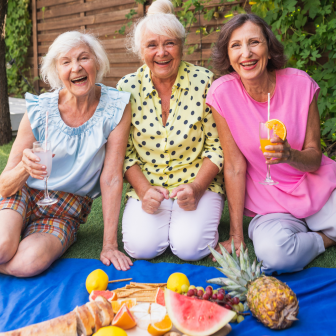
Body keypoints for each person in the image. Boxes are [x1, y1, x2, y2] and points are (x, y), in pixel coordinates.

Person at [206, 13, 336, 274]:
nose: (246, 53)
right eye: (236, 45)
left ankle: (319, 228)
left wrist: (290, 155)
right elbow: (233, 166)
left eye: (254, 42)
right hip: (269, 203)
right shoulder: (222, 94)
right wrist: (237, 235)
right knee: (274, 255)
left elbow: (314, 158)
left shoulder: (300, 84)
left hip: (316, 189)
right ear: (228, 55)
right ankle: (324, 238)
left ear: (268, 46)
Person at [0, 31, 132, 277]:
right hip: (24, 193)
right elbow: (4, 186)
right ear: (56, 71)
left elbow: (112, 177)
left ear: (97, 62)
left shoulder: (116, 108)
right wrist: (23, 168)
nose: (76, 68)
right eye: (66, 62)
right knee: (2, 249)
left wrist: (109, 245)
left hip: (66, 211)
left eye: (84, 58)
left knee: (24, 265)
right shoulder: (39, 111)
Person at [114, 0, 225, 262]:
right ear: (141, 51)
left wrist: (197, 188)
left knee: (190, 248)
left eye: (169, 43)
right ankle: (171, 222)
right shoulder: (126, 88)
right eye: (152, 45)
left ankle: (189, 221)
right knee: (140, 248)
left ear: (182, 46)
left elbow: (217, 146)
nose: (161, 52)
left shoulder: (204, 81)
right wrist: (143, 191)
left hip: (199, 182)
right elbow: (124, 152)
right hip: (149, 183)